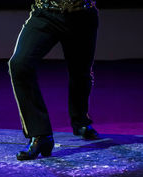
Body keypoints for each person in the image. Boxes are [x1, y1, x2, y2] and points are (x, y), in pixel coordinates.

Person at [9, 0, 100, 160]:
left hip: (82, 13)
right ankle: (40, 134)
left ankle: (80, 121)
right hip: (46, 12)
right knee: (20, 64)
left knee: (80, 72)